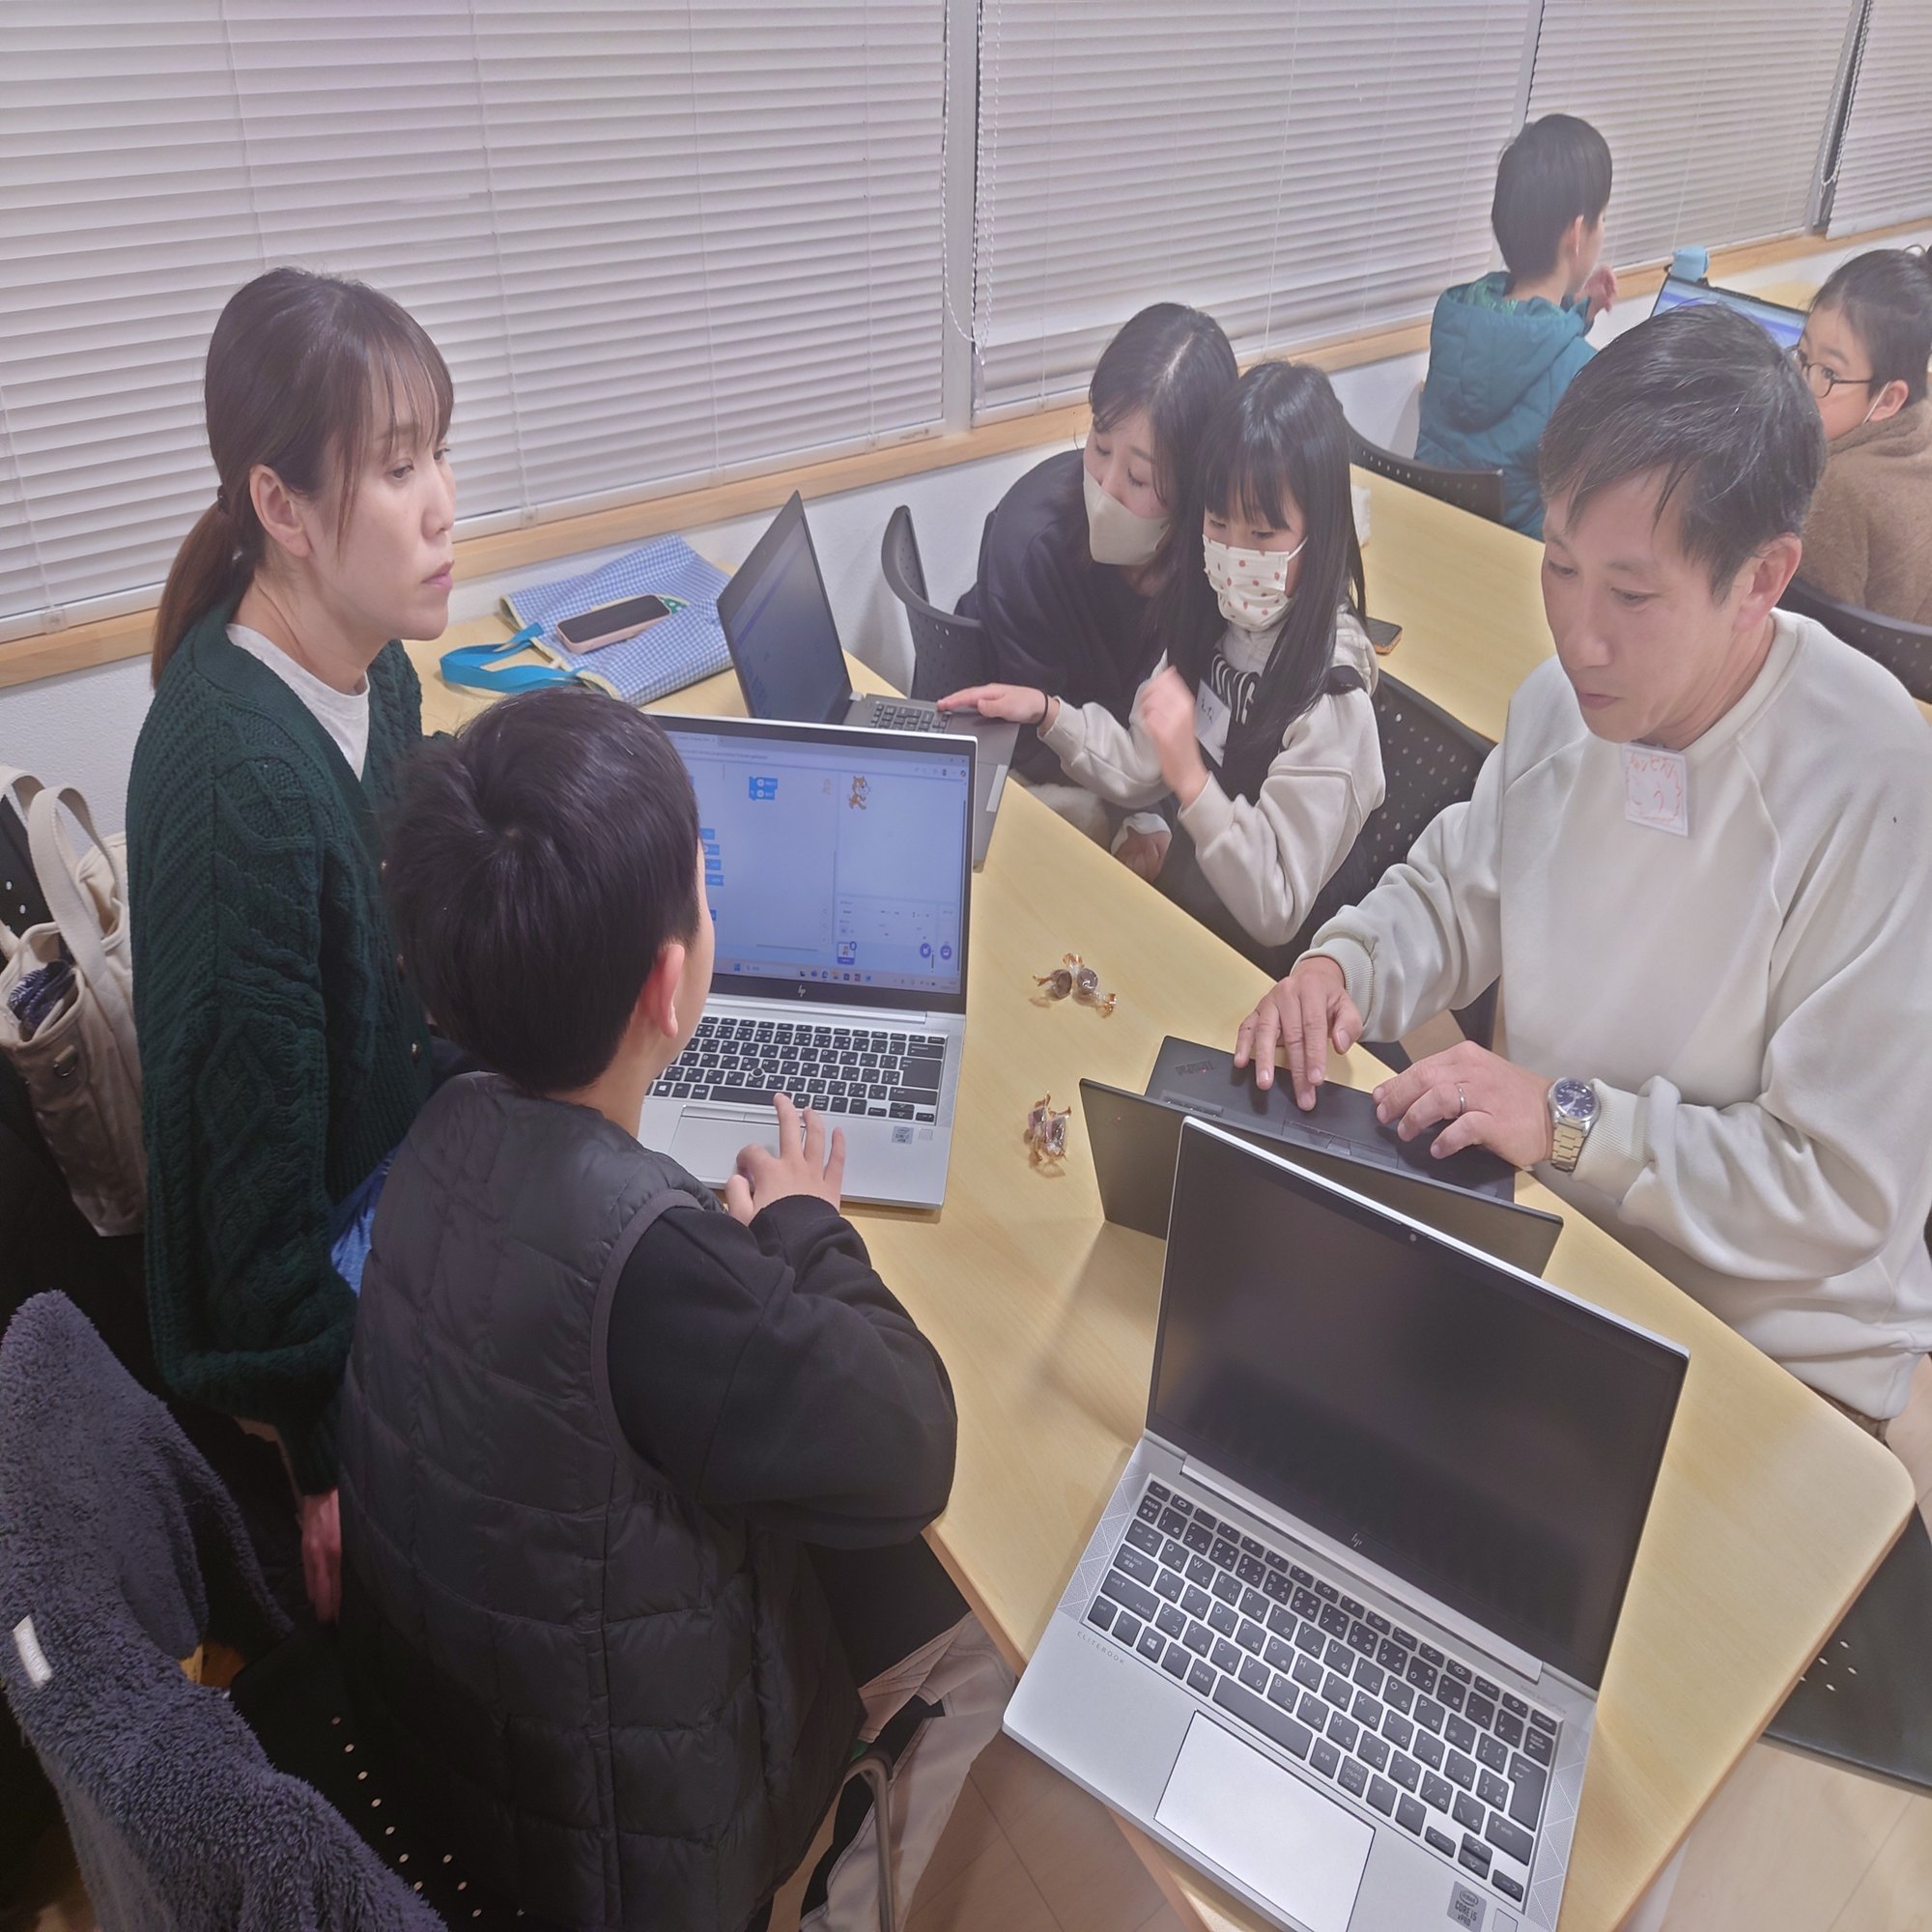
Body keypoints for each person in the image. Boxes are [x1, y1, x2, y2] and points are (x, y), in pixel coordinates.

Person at [341, 687, 1007, 1932]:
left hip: (454, 1761)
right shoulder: (653, 1270)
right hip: (622, 1858)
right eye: (705, 894)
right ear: (668, 983)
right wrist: (806, 1223)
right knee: (980, 1624)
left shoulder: (441, 1127)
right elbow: (917, 1438)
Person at [1236, 303, 1932, 1436]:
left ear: (1760, 578)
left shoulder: (1876, 779)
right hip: (1564, 1241)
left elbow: (1831, 1188)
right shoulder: (1562, 705)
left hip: (1775, 1338)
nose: (1578, 635)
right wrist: (1341, 967)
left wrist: (1564, 1120)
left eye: (1631, 592)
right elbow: (1452, 892)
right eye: (1559, 565)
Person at [127, 268, 455, 1622]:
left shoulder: (375, 669)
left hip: (402, 1188)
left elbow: (411, 957)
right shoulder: (240, 796)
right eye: (398, 467)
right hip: (311, 1327)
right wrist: (325, 1454)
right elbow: (250, 1228)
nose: (442, 504)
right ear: (282, 508)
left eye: (438, 454)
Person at [944, 361, 1383, 969]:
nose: (1233, 552)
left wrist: (1191, 779)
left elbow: (1276, 906)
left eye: (1262, 534)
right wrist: (1049, 715)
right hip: (1195, 919)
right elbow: (1140, 764)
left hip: (1281, 972)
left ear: (1324, 533)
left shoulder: (1332, 699)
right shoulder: (1215, 621)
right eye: (1218, 522)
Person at [957, 301, 1237, 851]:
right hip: (1021, 766)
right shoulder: (1030, 546)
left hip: (1142, 774)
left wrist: (1153, 807)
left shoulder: (1213, 556)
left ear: (1197, 487)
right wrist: (1138, 807)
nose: (1106, 486)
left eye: (1139, 477)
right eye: (1100, 446)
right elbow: (1034, 736)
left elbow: (1197, 712)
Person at [1416, 113, 1616, 537]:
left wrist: (1578, 312)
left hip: (1432, 546)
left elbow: (1515, 357)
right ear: (1577, 233)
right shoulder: (1583, 373)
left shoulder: (1457, 319)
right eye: (1601, 218)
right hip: (1514, 567)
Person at [1794, 248, 1932, 624]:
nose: (1801, 385)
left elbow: (1813, 635)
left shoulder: (1836, 491)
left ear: (1887, 399)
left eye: (1829, 374)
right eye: (1802, 358)